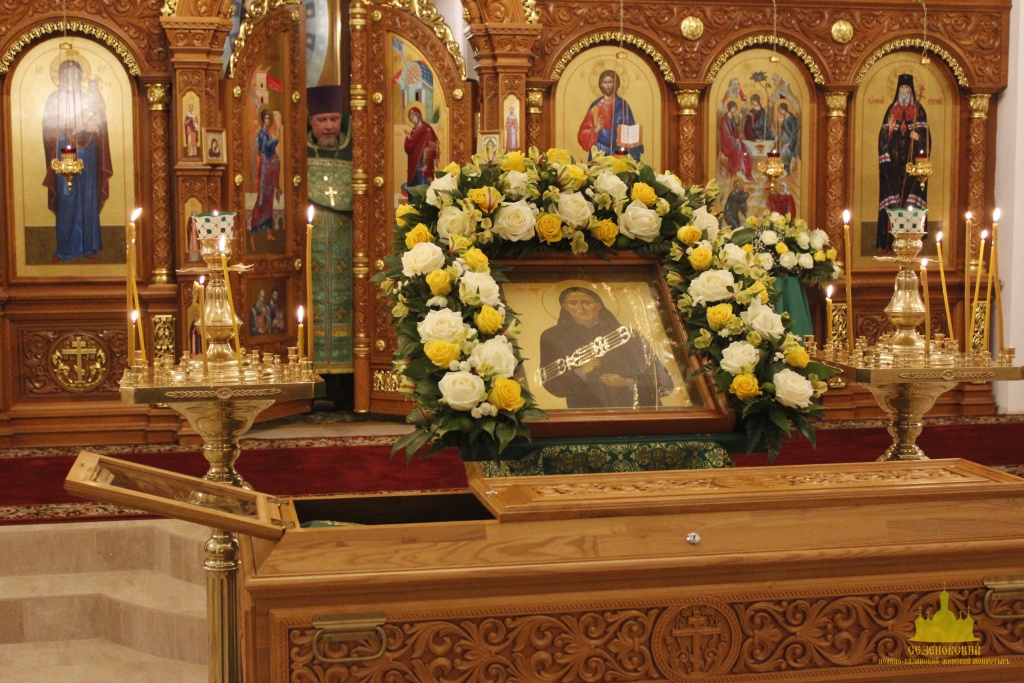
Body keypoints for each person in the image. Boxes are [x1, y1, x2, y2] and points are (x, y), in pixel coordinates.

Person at [539, 287, 673, 409]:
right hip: (589, 414)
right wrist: (581, 371)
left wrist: (627, 382)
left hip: (636, 412)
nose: (581, 308)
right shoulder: (553, 337)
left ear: (598, 306)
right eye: (573, 303)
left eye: (586, 302)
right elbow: (552, 384)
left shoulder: (629, 336)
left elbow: (664, 382)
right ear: (565, 307)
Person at [307, 85, 355, 382]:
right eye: (322, 119)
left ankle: (347, 386)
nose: (328, 126)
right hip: (311, 254)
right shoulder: (298, 155)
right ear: (311, 121)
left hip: (346, 251)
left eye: (334, 119)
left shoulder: (357, 152)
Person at [42, 59, 112, 263]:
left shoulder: (89, 98)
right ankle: (64, 249)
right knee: (67, 198)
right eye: (67, 75)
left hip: (87, 155)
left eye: (75, 75)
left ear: (80, 77)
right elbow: (47, 128)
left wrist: (93, 125)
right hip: (64, 155)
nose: (71, 78)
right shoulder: (54, 99)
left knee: (88, 198)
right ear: (61, 78)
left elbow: (99, 127)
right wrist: (65, 131)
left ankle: (88, 246)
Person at [876, 73, 929, 249]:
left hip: (913, 167)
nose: (905, 91)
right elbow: (883, 138)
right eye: (902, 88)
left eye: (907, 88)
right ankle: (890, 240)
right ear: (898, 91)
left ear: (911, 91)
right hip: (893, 166)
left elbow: (927, 139)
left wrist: (918, 137)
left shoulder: (919, 111)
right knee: (893, 200)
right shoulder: (891, 110)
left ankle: (912, 242)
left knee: (910, 200)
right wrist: (890, 130)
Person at [577, 69, 644, 161]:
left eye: (610, 82)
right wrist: (596, 130)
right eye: (605, 82)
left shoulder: (622, 105)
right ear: (601, 84)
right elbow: (583, 132)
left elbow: (631, 130)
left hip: (618, 152)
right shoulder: (595, 107)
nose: (607, 85)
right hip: (599, 151)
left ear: (615, 84)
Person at [250, 108, 282, 247]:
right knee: (262, 199)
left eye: (269, 118)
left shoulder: (267, 132)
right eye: (266, 118)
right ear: (263, 119)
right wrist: (277, 139)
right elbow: (266, 147)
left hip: (269, 168)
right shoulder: (262, 133)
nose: (268, 121)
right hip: (264, 168)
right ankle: (253, 233)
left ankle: (269, 231)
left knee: (269, 199)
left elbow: (272, 152)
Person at [403, 102, 439, 192]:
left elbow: (432, 148)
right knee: (414, 186)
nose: (413, 120)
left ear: (418, 116)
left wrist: (426, 164)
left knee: (423, 187)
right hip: (413, 165)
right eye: (411, 118)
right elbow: (408, 148)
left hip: (423, 163)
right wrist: (409, 139)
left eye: (414, 117)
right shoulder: (413, 131)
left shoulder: (427, 129)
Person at [719, 101, 753, 181]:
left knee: (747, 151)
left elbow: (735, 132)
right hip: (727, 145)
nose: (735, 110)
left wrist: (739, 137)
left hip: (735, 142)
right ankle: (740, 168)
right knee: (738, 145)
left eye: (735, 108)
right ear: (730, 108)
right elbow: (726, 135)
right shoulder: (724, 120)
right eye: (733, 108)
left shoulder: (733, 118)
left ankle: (748, 174)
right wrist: (735, 139)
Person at [777, 102, 799, 176]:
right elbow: (782, 129)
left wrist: (789, 142)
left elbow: (793, 133)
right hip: (784, 140)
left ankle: (786, 169)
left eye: (781, 110)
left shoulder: (792, 119)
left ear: (785, 109)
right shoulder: (785, 118)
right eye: (779, 111)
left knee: (785, 150)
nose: (780, 112)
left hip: (792, 141)